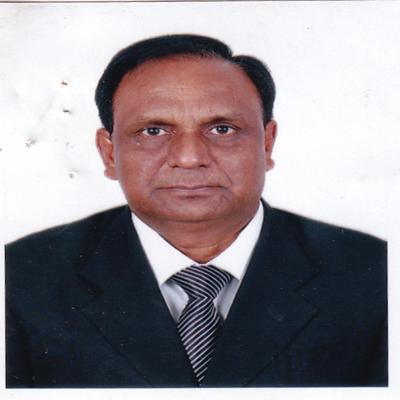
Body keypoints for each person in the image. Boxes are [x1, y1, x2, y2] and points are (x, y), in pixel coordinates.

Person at [5, 34, 387, 388]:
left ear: (267, 144)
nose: (189, 158)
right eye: (153, 131)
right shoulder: (20, 279)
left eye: (222, 129)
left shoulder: (376, 275)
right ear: (109, 153)